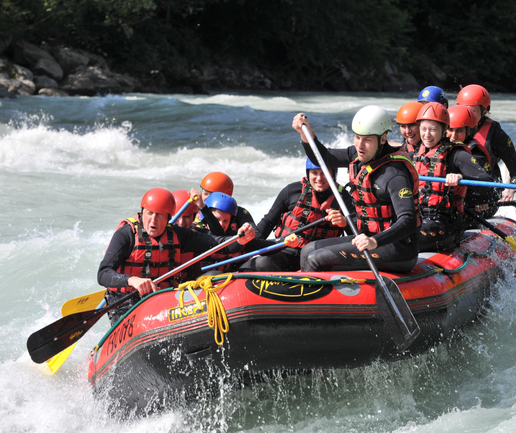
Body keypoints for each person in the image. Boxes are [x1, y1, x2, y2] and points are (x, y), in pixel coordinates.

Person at [293, 106, 421, 273]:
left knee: (315, 258)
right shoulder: (360, 154)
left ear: (383, 139)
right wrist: (306, 133)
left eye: (367, 139)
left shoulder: (394, 174)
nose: (360, 145)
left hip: (398, 249)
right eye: (357, 137)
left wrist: (375, 241)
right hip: (366, 239)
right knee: (308, 250)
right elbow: (324, 157)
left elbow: (408, 220)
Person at [98, 188, 255, 324]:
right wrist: (132, 280)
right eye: (149, 213)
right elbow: (103, 273)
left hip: (162, 299)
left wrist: (241, 240)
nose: (153, 220)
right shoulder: (126, 235)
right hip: (126, 303)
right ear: (142, 212)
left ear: (168, 218)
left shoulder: (179, 235)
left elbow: (220, 245)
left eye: (159, 215)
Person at [240, 158, 352, 272]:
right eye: (314, 173)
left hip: (320, 257)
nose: (319, 178)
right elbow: (267, 223)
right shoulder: (292, 191)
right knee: (261, 262)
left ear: (333, 174)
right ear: (308, 173)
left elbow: (356, 236)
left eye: (324, 173)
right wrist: (254, 245)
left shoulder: (344, 198)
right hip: (288, 253)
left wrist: (345, 223)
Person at [414, 103, 497, 252]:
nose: (427, 135)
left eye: (433, 129)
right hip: (420, 217)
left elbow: (490, 189)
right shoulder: (417, 154)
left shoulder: (457, 154)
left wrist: (461, 177)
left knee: (406, 237)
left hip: (446, 224)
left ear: (444, 130)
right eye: (423, 129)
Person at [456, 84, 516, 201]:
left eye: (472, 111)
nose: (467, 115)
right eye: (464, 110)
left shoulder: (496, 134)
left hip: (485, 195)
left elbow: (515, 169)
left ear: (485, 110)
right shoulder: (449, 128)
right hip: (458, 190)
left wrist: (510, 190)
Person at [447, 105, 500, 222]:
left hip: (474, 205)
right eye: (450, 129)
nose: (453, 136)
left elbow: (492, 190)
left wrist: (481, 200)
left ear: (469, 131)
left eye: (459, 131)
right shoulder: (438, 149)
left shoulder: (476, 155)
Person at [191, 171, 259, 236]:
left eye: (212, 196)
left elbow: (257, 238)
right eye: (205, 194)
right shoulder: (193, 213)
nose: (207, 199)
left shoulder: (240, 213)